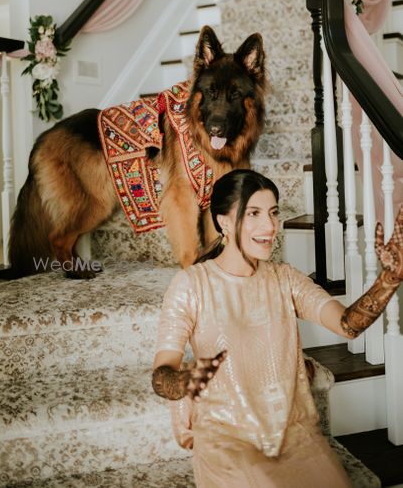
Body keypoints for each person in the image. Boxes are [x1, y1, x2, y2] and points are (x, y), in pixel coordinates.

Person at [151, 169, 403, 488]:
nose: (270, 226)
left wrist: (389, 279)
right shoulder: (191, 285)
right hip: (227, 440)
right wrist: (187, 381)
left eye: (272, 213)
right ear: (223, 222)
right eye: (253, 213)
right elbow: (162, 376)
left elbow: (347, 325)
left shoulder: (285, 278)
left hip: (292, 433)